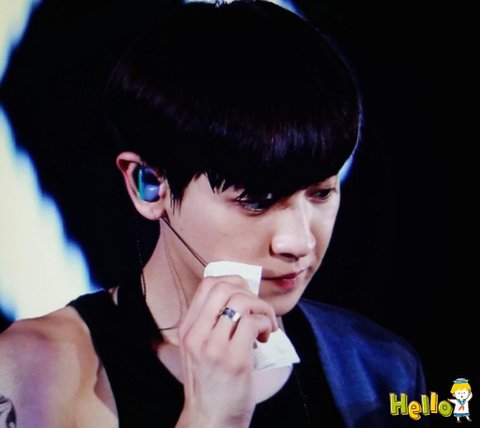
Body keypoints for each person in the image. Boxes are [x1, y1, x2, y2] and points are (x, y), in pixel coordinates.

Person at [0, 1, 427, 427]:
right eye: (256, 201)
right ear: (149, 185)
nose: (299, 242)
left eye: (321, 193)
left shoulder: (379, 369)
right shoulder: (33, 374)